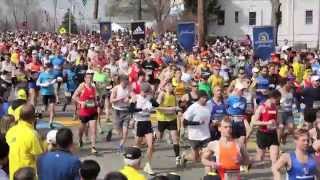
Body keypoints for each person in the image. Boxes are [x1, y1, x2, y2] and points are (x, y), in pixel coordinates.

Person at [6, 104, 44, 180]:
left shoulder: (10, 131)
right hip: (28, 176)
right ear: (33, 118)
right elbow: (39, 157)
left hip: (13, 175)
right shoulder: (32, 135)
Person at [180, 90, 211, 166]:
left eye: (206, 98)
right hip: (194, 135)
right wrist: (198, 123)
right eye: (203, 98)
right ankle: (185, 157)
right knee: (195, 158)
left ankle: (210, 173)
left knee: (207, 155)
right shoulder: (192, 108)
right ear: (199, 98)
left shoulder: (209, 105)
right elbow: (185, 122)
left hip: (206, 135)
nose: (205, 99)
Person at [130, 83, 155, 175]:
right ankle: (131, 161)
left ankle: (148, 165)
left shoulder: (149, 98)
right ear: (141, 91)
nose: (146, 94)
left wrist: (152, 98)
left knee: (151, 145)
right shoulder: (135, 97)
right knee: (137, 146)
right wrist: (141, 109)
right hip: (139, 122)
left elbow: (156, 105)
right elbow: (131, 110)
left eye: (147, 92)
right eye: (145, 92)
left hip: (147, 122)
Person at [252, 90, 281, 165]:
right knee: (260, 157)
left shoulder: (275, 108)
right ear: (272, 98)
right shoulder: (262, 107)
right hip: (262, 134)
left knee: (275, 158)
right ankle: (248, 163)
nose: (278, 101)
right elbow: (254, 122)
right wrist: (267, 123)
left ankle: (276, 173)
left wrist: (278, 124)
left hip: (273, 134)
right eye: (277, 100)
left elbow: (277, 120)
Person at [72, 72, 98, 154]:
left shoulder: (94, 88)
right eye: (88, 78)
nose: (89, 80)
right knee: (81, 130)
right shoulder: (82, 86)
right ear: (85, 79)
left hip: (93, 111)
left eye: (91, 78)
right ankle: (80, 139)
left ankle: (93, 147)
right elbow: (74, 96)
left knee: (93, 130)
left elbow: (95, 99)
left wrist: (97, 103)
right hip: (84, 112)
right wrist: (81, 102)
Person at [156, 82, 181, 167]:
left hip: (172, 119)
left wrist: (178, 110)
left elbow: (176, 108)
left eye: (172, 86)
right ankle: (156, 134)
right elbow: (157, 107)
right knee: (159, 138)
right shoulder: (162, 95)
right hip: (162, 119)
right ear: (165, 87)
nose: (171, 87)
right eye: (169, 86)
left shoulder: (174, 96)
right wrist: (171, 109)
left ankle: (177, 157)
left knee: (175, 139)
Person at [110, 75, 131, 152]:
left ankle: (121, 145)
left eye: (127, 81)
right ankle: (111, 131)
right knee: (118, 130)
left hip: (126, 111)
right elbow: (111, 100)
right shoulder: (116, 88)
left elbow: (132, 97)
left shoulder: (129, 88)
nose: (127, 83)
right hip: (117, 111)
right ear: (121, 81)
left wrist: (129, 99)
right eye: (125, 81)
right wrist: (120, 99)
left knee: (125, 133)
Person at [36, 63, 56, 129]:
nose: (52, 69)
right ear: (47, 68)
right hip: (44, 93)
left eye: (52, 67)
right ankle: (38, 113)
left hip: (51, 94)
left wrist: (56, 80)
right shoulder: (42, 74)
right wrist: (44, 84)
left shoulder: (53, 74)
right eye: (50, 67)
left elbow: (55, 80)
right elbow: (37, 83)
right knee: (44, 108)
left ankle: (50, 123)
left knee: (52, 109)